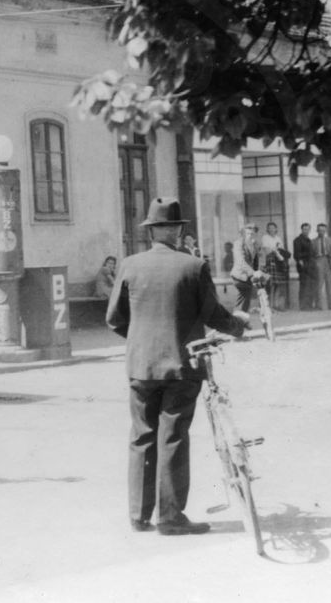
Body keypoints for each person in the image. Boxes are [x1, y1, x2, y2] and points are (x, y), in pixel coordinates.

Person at [106, 198, 249, 536]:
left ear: (151, 231)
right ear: (178, 231)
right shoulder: (193, 266)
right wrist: (239, 326)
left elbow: (114, 319)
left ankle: (138, 516)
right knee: (173, 437)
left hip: (141, 366)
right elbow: (214, 315)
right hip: (182, 366)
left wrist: (142, 339)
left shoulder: (129, 265)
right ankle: (170, 517)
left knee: (142, 436)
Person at [230, 223, 264, 313]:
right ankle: (237, 322)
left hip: (248, 277)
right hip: (240, 276)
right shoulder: (238, 244)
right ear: (243, 234)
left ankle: (240, 322)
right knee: (242, 302)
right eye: (248, 234)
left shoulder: (254, 244)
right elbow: (240, 261)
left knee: (245, 302)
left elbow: (257, 260)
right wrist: (253, 272)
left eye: (253, 234)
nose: (251, 236)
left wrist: (258, 271)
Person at [259, 222, 290, 311]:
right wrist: (276, 251)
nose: (271, 229)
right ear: (267, 229)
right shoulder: (265, 238)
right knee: (270, 285)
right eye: (269, 228)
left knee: (278, 285)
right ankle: (268, 306)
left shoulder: (278, 238)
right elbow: (267, 250)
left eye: (273, 228)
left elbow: (282, 250)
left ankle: (277, 305)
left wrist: (277, 251)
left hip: (278, 263)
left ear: (276, 229)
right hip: (270, 262)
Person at [314, 223, 331, 310]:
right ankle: (318, 305)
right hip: (318, 260)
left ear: (325, 231)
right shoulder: (313, 241)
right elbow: (312, 254)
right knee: (319, 284)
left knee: (330, 284)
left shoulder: (329, 240)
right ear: (317, 231)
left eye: (323, 230)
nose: (321, 232)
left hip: (328, 261)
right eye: (320, 230)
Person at [293, 223, 318, 310]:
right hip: (304, 266)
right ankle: (303, 306)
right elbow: (297, 255)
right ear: (301, 230)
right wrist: (302, 265)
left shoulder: (308, 240)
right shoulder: (297, 240)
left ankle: (309, 305)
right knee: (304, 286)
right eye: (304, 229)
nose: (306, 231)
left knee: (311, 286)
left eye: (308, 229)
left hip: (311, 266)